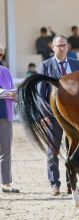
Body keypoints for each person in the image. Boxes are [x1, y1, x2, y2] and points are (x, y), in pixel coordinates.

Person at [38, 35, 79, 196]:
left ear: (68, 46)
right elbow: (41, 94)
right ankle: (54, 184)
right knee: (53, 151)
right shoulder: (45, 66)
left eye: (64, 45)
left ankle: (71, 184)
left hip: (74, 117)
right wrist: (43, 115)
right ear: (53, 47)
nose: (62, 48)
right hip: (53, 116)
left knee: (74, 151)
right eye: (59, 46)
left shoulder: (77, 65)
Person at [0, 44, 19, 193]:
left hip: (5, 116)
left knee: (6, 151)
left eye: (0, 53)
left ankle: (6, 182)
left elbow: (14, 95)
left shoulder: (5, 72)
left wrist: (13, 95)